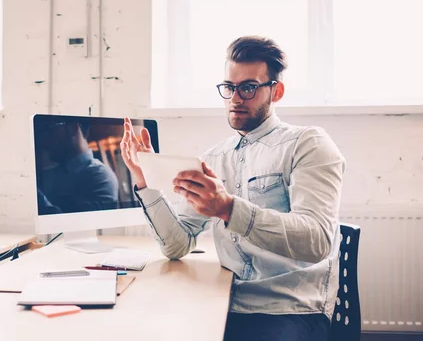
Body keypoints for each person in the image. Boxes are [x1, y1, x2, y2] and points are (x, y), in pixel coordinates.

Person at [121, 36, 345, 341]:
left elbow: (316, 240)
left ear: (276, 91)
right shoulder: (214, 157)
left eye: (249, 87)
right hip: (226, 299)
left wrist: (228, 209)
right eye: (229, 87)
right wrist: (144, 181)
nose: (236, 98)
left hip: (289, 307)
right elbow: (176, 246)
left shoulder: (308, 144)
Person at [38, 120, 119, 214]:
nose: (43, 141)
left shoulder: (101, 176)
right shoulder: (46, 175)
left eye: (49, 130)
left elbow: (84, 226)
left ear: (72, 128)